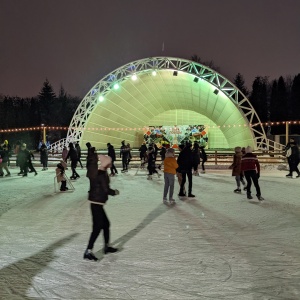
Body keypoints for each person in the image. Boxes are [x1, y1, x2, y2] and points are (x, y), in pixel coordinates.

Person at [83, 155, 120, 261]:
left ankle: (106, 247)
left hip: (97, 203)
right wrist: (114, 192)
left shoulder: (101, 172)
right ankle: (88, 251)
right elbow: (105, 189)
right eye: (110, 162)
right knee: (97, 227)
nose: (111, 163)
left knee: (106, 224)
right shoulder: (101, 174)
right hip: (96, 203)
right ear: (107, 163)